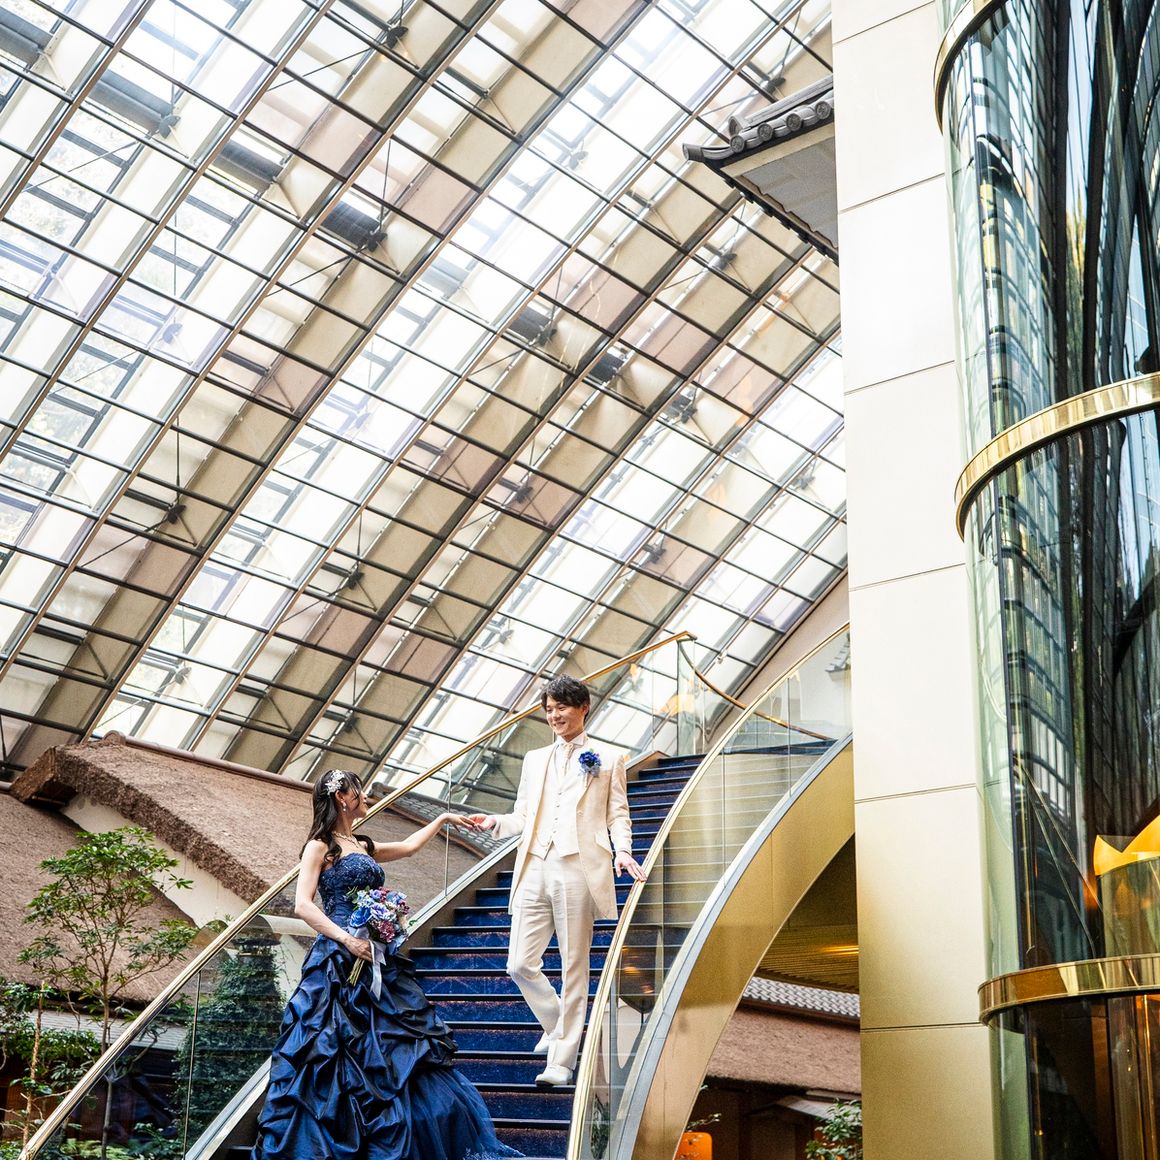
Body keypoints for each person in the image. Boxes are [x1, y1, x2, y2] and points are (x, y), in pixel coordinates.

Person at [253, 769, 520, 1160]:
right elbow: (303, 905)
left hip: (376, 956)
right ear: (342, 796)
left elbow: (409, 847)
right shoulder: (319, 846)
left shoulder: (361, 843)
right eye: (359, 791)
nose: (366, 797)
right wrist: (347, 939)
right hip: (339, 959)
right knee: (331, 1046)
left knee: (395, 1045)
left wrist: (444, 818)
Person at [468, 676, 647, 1087]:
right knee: (519, 964)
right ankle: (556, 1024)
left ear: (583, 708)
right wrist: (495, 822)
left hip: (578, 867)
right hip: (534, 863)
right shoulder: (534, 759)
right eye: (548, 710)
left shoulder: (608, 758)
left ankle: (562, 1062)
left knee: (573, 965)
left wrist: (622, 850)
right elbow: (523, 814)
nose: (554, 716)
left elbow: (618, 814)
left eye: (561, 708)